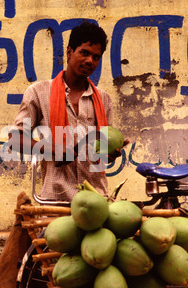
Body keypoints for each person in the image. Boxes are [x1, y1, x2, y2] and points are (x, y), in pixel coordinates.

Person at [8, 21, 127, 202]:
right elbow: (15, 140)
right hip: (55, 198)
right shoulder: (38, 92)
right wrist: (50, 149)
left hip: (96, 198)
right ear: (69, 52)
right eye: (84, 53)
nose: (90, 61)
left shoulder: (104, 99)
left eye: (96, 57)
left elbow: (102, 153)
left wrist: (109, 154)